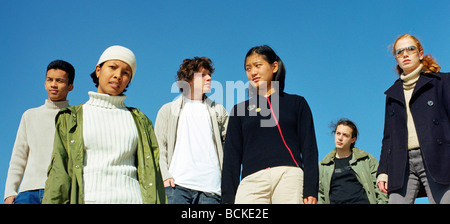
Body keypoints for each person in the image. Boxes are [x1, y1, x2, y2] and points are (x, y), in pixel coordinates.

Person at [42, 45, 166, 204]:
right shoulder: (70, 118)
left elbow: (153, 175)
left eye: (125, 73)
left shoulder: (140, 120)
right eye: (112, 67)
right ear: (98, 70)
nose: (118, 75)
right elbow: (59, 174)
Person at [221, 45, 319, 204]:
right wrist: (227, 197)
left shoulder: (297, 103)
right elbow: (231, 157)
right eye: (248, 68)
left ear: (274, 67)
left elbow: (309, 148)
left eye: (258, 65)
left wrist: (310, 188)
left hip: (289, 176)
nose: (253, 72)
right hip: (251, 182)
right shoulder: (239, 110)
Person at [377, 34, 450, 204]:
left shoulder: (442, 82)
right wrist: (383, 171)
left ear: (420, 53)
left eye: (410, 49)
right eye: (399, 52)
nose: (405, 54)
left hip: (438, 156)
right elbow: (388, 137)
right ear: (396, 58)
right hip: (401, 163)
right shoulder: (392, 94)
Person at [154, 57, 228, 204]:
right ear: (188, 81)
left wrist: (227, 184)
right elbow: (159, 148)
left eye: (209, 75)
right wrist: (164, 176)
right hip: (177, 186)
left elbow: (231, 147)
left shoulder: (218, 110)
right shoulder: (168, 110)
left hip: (212, 189)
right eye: (203, 75)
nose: (209, 78)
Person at [4, 60, 75, 204]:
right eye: (50, 80)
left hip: (62, 192)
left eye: (60, 81)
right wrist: (9, 192)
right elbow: (19, 157)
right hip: (28, 193)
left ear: (70, 87)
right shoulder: (29, 115)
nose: (53, 85)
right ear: (45, 83)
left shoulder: (75, 117)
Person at [318, 119, 388, 204]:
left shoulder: (366, 159)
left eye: (345, 135)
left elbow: (380, 186)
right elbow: (320, 194)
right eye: (338, 133)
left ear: (353, 139)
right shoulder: (324, 165)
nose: (340, 138)